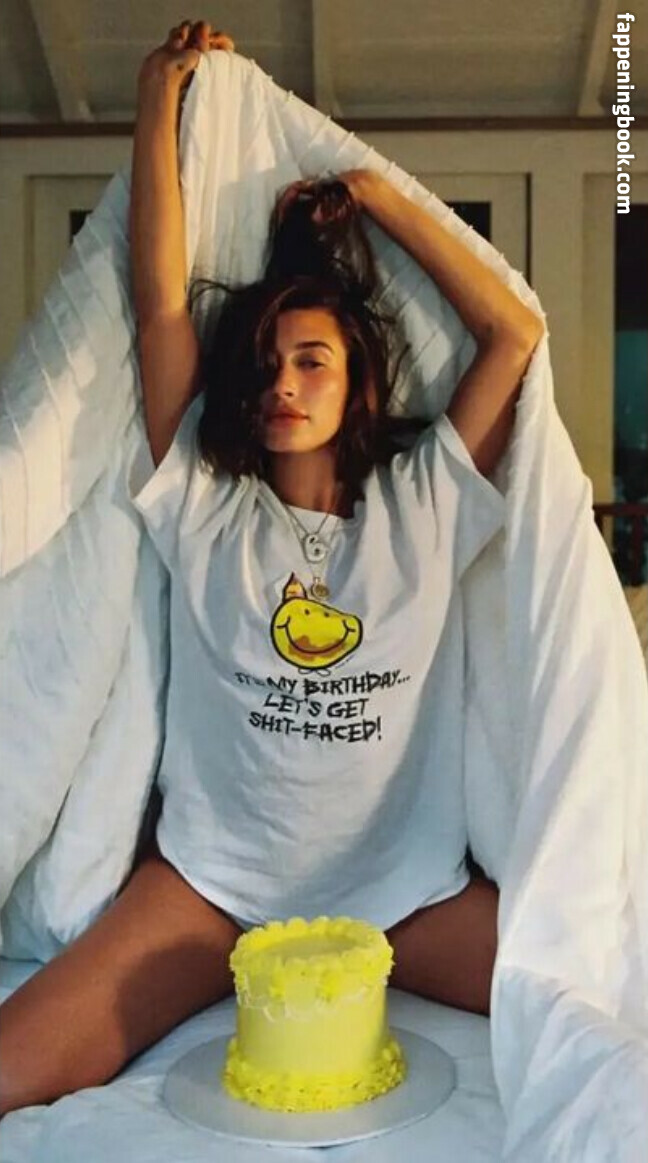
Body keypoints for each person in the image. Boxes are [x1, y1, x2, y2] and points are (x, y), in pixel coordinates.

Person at [0, 19, 544, 1117]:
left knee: (608, 1005)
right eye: (265, 364)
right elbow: (160, 303)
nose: (284, 382)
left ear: (360, 383)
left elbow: (513, 331)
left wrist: (375, 199)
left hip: (406, 898)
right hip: (211, 891)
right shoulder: (204, 499)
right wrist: (156, 99)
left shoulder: (428, 501)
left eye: (313, 361)